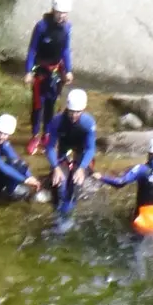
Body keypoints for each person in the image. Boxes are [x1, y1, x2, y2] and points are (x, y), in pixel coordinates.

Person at [96, 136, 153, 236]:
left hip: (141, 220)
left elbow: (120, 183)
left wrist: (100, 177)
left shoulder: (141, 169)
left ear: (149, 152)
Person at [24, 0, 74, 154]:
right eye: (59, 13)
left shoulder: (67, 28)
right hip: (40, 71)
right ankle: (34, 136)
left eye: (64, 13)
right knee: (38, 105)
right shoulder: (42, 26)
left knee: (51, 104)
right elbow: (32, 50)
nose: (62, 16)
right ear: (53, 10)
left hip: (56, 72)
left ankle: (47, 134)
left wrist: (68, 70)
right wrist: (28, 71)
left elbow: (65, 50)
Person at [45, 89, 97, 218]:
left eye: (77, 112)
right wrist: (56, 168)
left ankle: (69, 214)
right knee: (60, 185)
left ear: (83, 110)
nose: (74, 115)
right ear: (67, 109)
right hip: (64, 149)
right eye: (71, 111)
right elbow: (50, 147)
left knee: (75, 184)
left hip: (81, 150)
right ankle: (59, 215)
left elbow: (90, 148)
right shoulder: (57, 121)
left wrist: (81, 168)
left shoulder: (88, 122)